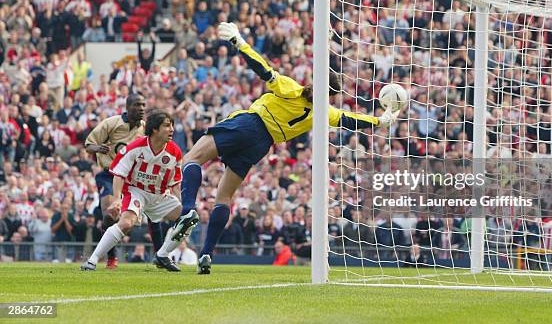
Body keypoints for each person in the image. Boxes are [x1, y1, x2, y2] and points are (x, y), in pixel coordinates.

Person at [174, 22, 400, 274]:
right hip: (261, 145)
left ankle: (187, 209)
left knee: (191, 158)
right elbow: (350, 119)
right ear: (332, 95)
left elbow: (263, 69)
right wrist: (381, 120)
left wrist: (239, 42)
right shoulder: (323, 112)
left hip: (250, 124)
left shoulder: (294, 90)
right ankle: (206, 254)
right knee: (224, 197)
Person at [81, 110, 199, 272]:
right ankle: (92, 260)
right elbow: (118, 174)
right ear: (155, 129)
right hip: (136, 192)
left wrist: (186, 204)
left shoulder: (175, 152)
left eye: (172, 125)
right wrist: (117, 199)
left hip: (160, 196)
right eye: (166, 125)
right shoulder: (135, 147)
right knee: (126, 223)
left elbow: (175, 183)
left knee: (190, 217)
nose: (171, 129)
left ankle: (163, 255)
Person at [84, 94, 163, 269]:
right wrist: (98, 148)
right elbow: (88, 144)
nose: (142, 108)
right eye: (137, 105)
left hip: (135, 179)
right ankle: (111, 257)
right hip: (109, 176)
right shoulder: (111, 123)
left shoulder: (146, 129)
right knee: (109, 214)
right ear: (127, 107)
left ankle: (161, 256)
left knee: (153, 216)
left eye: (143, 105)